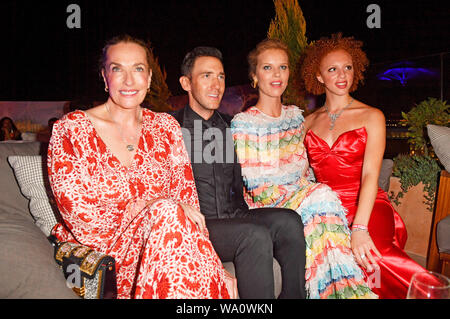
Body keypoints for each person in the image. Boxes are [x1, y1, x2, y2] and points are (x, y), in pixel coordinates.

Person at [48, 35, 233, 299]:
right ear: (104, 77)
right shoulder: (71, 130)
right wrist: (152, 207)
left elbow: (189, 204)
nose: (129, 80)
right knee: (168, 211)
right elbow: (83, 222)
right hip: (106, 257)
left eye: (137, 69)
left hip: (168, 247)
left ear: (148, 78)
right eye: (117, 69)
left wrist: (212, 263)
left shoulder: (166, 127)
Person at [231, 38, 377, 299]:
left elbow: (306, 170)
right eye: (267, 68)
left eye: (283, 67)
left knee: (321, 205)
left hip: (308, 201)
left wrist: (310, 194)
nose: (277, 74)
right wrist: (309, 195)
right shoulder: (243, 123)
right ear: (254, 77)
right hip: (270, 207)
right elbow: (258, 188)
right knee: (320, 196)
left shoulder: (297, 119)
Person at [172, 46, 306, 299]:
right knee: (253, 235)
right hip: (198, 224)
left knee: (289, 221)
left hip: (235, 215)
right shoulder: (170, 127)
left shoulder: (230, 126)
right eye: (206, 76)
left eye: (221, 76)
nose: (216, 85)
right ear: (186, 83)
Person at [301, 33, 426, 299]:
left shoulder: (372, 116)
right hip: (327, 210)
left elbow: (371, 174)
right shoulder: (307, 123)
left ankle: (429, 290)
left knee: (373, 256)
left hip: (367, 204)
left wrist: (359, 228)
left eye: (347, 67)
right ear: (320, 76)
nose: (342, 74)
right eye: (332, 69)